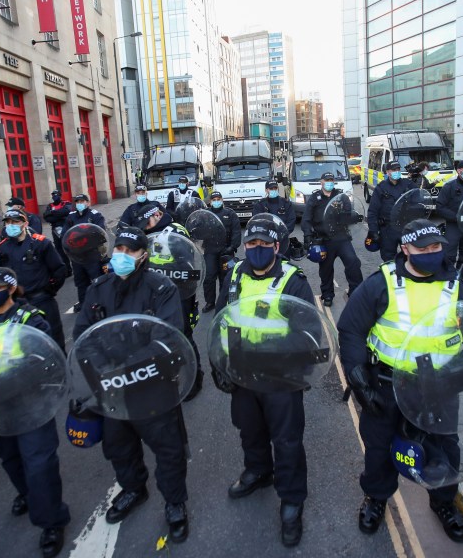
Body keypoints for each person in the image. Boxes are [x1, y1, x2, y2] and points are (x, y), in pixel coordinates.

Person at [337, 219, 463, 543]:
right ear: (405, 249)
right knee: (378, 447)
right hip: (386, 385)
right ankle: (376, 497)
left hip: (438, 387)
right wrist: (359, 377)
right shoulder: (382, 283)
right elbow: (351, 329)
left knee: (444, 448)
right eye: (422, 249)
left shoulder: (458, 285)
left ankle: (444, 502)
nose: (431, 254)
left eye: (436, 247)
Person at [72, 227, 190, 544]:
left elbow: (167, 336)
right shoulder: (99, 288)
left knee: (168, 449)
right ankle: (133, 489)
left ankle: (175, 502)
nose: (122, 255)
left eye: (130, 250)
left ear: (143, 255)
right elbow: (83, 335)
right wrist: (102, 369)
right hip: (112, 388)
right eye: (118, 249)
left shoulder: (161, 288)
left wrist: (125, 365)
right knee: (118, 448)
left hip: (152, 386)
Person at [212, 216, 315, 547]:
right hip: (242, 374)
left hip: (280, 378)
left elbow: (309, 333)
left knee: (286, 440)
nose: (257, 249)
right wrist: (219, 363)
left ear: (276, 247)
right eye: (251, 244)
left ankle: (291, 500)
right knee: (250, 429)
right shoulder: (233, 275)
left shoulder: (293, 281)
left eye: (264, 244)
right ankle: (258, 471)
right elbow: (220, 319)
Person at [0, 267, 70, 557]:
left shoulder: (31, 321)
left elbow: (45, 361)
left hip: (29, 406)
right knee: (9, 458)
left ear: (11, 289)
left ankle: (52, 520)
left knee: (39, 464)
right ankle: (27, 494)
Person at [139, 202, 204, 400]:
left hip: (179, 291)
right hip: (155, 292)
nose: (145, 226)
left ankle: (195, 377)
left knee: (183, 334)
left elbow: (187, 265)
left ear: (157, 215)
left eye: (146, 222)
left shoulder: (175, 231)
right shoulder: (146, 234)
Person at [0, 209, 68, 350]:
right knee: (25, 347)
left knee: (53, 344)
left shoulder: (41, 244)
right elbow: (1, 274)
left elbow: (59, 270)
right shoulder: (2, 247)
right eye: (8, 222)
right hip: (17, 305)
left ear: (25, 223)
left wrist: (49, 289)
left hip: (42, 301)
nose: (11, 225)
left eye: (15, 222)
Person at [301, 172, 362, 307]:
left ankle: (356, 291)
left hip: (341, 237)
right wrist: (307, 235)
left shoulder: (341, 197)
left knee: (353, 263)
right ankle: (327, 294)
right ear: (321, 182)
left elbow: (349, 215)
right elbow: (306, 219)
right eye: (326, 180)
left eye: (331, 180)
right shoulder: (314, 198)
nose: (329, 182)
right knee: (326, 270)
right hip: (324, 239)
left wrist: (353, 217)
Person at [435, 161, 463, 279]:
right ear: (458, 170)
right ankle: (448, 276)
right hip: (454, 225)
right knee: (449, 253)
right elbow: (440, 207)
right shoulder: (449, 187)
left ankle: (461, 277)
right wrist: (456, 216)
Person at [64, 194, 106, 312]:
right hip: (76, 255)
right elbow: (65, 233)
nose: (79, 204)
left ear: (88, 202)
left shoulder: (95, 215)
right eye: (77, 202)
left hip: (91, 255)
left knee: (96, 279)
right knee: (80, 281)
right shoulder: (71, 217)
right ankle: (83, 303)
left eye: (82, 201)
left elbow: (99, 232)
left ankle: (100, 302)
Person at [201, 191, 241, 312]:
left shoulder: (230, 213)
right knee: (209, 278)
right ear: (211, 201)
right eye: (214, 199)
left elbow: (236, 231)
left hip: (226, 251)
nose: (216, 201)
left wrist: (233, 247)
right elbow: (199, 230)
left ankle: (224, 302)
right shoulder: (205, 214)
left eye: (219, 199)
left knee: (227, 278)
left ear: (222, 200)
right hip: (210, 250)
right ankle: (210, 302)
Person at [366, 161, 413, 262]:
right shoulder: (381, 188)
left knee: (411, 255)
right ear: (388, 172)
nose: (396, 172)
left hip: (405, 227)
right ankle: (393, 277)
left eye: (398, 169)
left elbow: (419, 199)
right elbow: (373, 211)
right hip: (388, 229)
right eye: (393, 170)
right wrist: (373, 231)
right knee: (388, 258)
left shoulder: (408, 184)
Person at [43, 190, 73, 265]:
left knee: (70, 248)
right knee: (59, 249)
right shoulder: (50, 206)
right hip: (55, 229)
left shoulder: (66, 203)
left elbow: (67, 211)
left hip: (66, 227)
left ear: (60, 195)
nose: (55, 197)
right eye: (53, 195)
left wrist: (53, 213)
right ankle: (67, 268)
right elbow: (47, 217)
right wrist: (61, 216)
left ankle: (76, 265)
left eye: (56, 195)